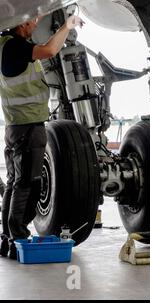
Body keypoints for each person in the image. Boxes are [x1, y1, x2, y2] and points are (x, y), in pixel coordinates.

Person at [0, 15, 85, 259]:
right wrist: (66, 27)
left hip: (16, 126)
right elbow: (48, 50)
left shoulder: (5, 44)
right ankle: (16, 237)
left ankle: (8, 237)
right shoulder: (15, 47)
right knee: (29, 185)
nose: (35, 24)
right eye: (32, 21)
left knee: (16, 183)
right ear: (20, 23)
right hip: (27, 127)